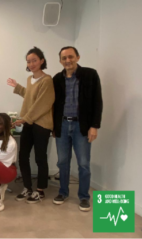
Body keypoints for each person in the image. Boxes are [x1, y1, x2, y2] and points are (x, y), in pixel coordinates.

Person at [52, 46, 103, 212]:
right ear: (60, 61)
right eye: (64, 58)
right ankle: (63, 192)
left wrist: (94, 126)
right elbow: (53, 104)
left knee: (83, 164)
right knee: (62, 162)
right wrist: (54, 126)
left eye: (71, 57)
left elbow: (97, 102)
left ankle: (84, 196)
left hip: (82, 126)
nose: (68, 60)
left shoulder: (90, 75)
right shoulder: (57, 79)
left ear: (78, 57)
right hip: (62, 124)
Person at [7, 47, 55, 204]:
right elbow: (30, 97)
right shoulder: (30, 79)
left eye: (34, 60)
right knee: (23, 156)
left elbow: (42, 104)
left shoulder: (47, 80)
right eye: (28, 61)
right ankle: (27, 187)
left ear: (42, 61)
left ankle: (40, 190)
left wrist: (24, 118)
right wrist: (18, 87)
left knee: (40, 157)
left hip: (41, 124)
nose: (31, 63)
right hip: (29, 122)